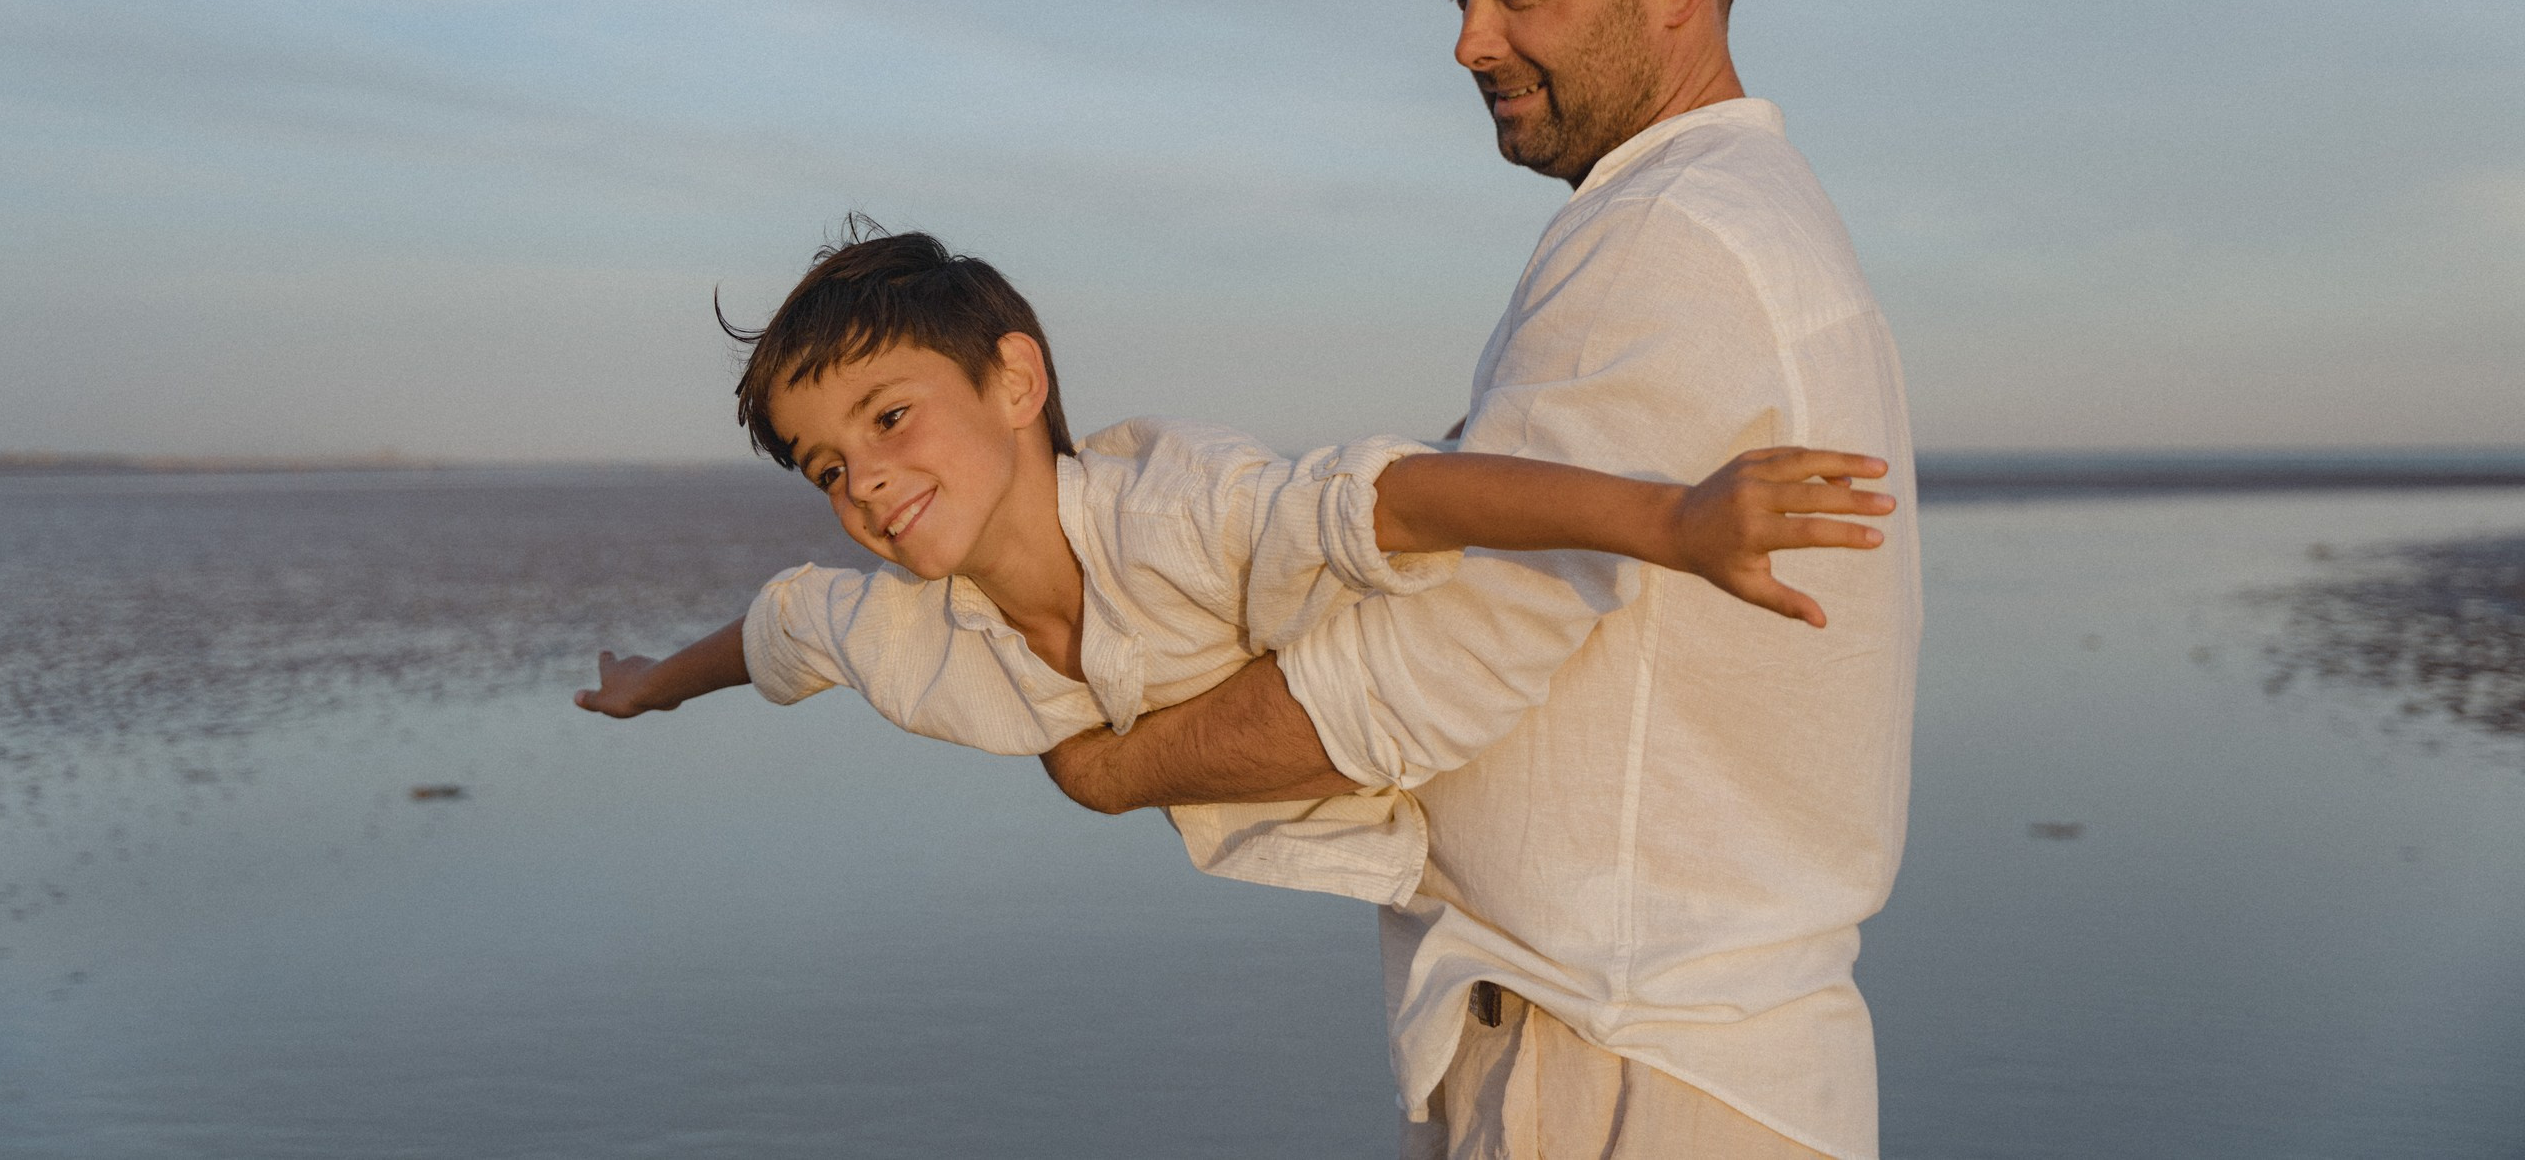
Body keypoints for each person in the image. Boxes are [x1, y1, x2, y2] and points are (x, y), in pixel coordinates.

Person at [1038, 0, 1924, 1160]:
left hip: (1630, 1076)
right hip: (1670, 1059)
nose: (1468, 41)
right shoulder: (1725, 215)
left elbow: (1436, 661)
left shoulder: (1672, 236)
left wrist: (1121, 763)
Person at [575, 226, 1893, 906]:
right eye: (822, 465)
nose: (860, 477)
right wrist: (648, 687)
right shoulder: (903, 632)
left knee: (1462, 502)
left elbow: (1377, 501)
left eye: (888, 415)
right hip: (1398, 829)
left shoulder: (1179, 518)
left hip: (1427, 615)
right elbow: (781, 631)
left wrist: (1672, 523)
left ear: (1015, 380)